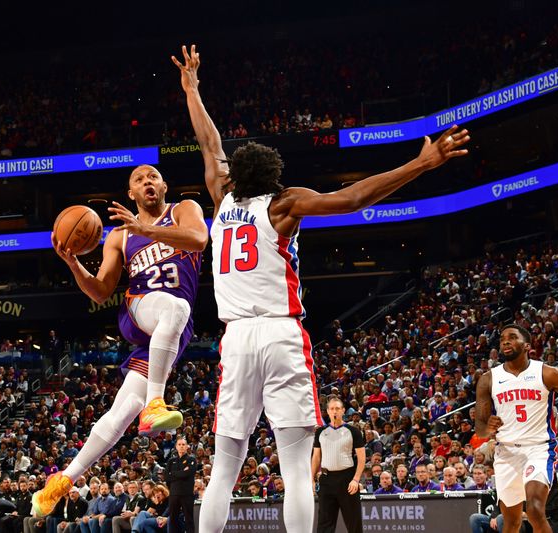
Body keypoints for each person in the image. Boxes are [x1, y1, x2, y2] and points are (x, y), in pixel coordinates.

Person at [174, 43, 470, 533]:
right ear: (273, 175)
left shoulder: (221, 199)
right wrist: (421, 165)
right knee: (294, 470)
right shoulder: (283, 204)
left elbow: (210, 144)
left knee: (223, 467)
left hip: (236, 338)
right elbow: (353, 197)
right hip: (280, 334)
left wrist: (192, 90)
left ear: (235, 176)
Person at [34, 164, 208, 516]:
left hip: (168, 330)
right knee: (175, 307)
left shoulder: (184, 210)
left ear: (163, 186)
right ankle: (156, 404)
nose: (147, 181)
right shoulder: (120, 236)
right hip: (140, 308)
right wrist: (73, 264)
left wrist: (146, 228)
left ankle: (61, 482)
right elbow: (100, 291)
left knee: (123, 411)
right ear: (131, 193)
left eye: (153, 177)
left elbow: (199, 239)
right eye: (139, 179)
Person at [475, 324, 558, 533]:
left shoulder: (548, 373)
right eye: (502, 339)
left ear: (527, 346)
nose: (505, 341)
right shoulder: (488, 379)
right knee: (511, 522)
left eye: (512, 337)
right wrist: (487, 427)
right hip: (505, 452)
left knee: (534, 510)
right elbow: (479, 428)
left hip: (539, 448)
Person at [311, 396, 365, 533]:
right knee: (324, 524)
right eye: (332, 409)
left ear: (343, 411)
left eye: (337, 408)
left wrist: (356, 479)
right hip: (326, 480)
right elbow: (316, 457)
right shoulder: (320, 432)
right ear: (328, 411)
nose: (334, 411)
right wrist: (311, 479)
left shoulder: (353, 431)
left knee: (354, 522)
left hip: (347, 480)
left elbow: (362, 458)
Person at [164, 438, 197, 533]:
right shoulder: (171, 460)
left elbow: (189, 473)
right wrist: (182, 473)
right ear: (176, 447)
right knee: (173, 519)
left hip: (187, 494)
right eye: (179, 444)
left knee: (189, 519)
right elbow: (166, 477)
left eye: (183, 444)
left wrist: (173, 473)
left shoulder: (191, 459)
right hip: (174, 494)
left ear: (187, 446)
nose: (181, 446)